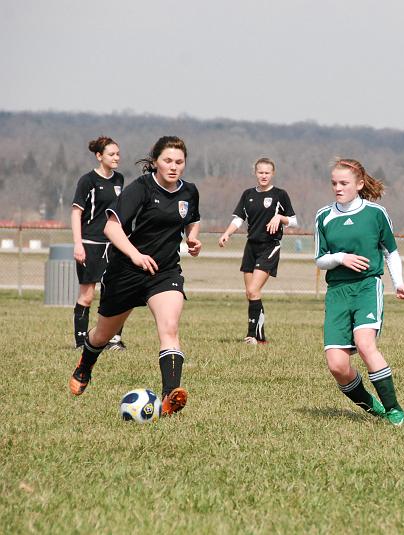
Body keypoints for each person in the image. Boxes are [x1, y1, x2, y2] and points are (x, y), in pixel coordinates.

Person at [68, 136, 201, 416]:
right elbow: (111, 228)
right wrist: (135, 255)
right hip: (126, 272)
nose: (173, 166)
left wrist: (193, 239)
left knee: (170, 328)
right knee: (103, 334)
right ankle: (85, 365)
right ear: (155, 161)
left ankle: (169, 399)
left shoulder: (189, 191)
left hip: (164, 272)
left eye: (179, 162)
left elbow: (192, 219)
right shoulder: (140, 189)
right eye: (167, 160)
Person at [314, 158, 404, 426]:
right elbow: (320, 259)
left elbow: (391, 252)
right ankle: (372, 407)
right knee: (337, 366)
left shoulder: (376, 214)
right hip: (337, 291)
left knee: (365, 344)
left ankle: (393, 409)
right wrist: (340, 258)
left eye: (344, 183)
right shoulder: (324, 216)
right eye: (334, 183)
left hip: (368, 286)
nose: (337, 187)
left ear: (359, 184)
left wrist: (399, 282)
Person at [218, 158, 297, 344]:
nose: (263, 175)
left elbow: (294, 221)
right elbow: (238, 219)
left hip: (270, 246)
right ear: (255, 173)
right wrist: (226, 234)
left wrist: (280, 218)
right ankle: (259, 337)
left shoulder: (280, 195)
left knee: (254, 290)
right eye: (260, 172)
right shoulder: (248, 195)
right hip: (251, 247)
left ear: (273, 173)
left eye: (267, 172)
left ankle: (251, 335)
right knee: (250, 293)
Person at [70, 136, 127, 350]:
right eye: (111, 154)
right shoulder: (88, 181)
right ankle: (81, 341)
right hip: (90, 243)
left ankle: (114, 340)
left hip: (113, 244)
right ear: (99, 156)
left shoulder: (119, 180)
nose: (116, 158)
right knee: (87, 294)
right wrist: (78, 244)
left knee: (116, 291)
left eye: (118, 154)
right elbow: (76, 212)